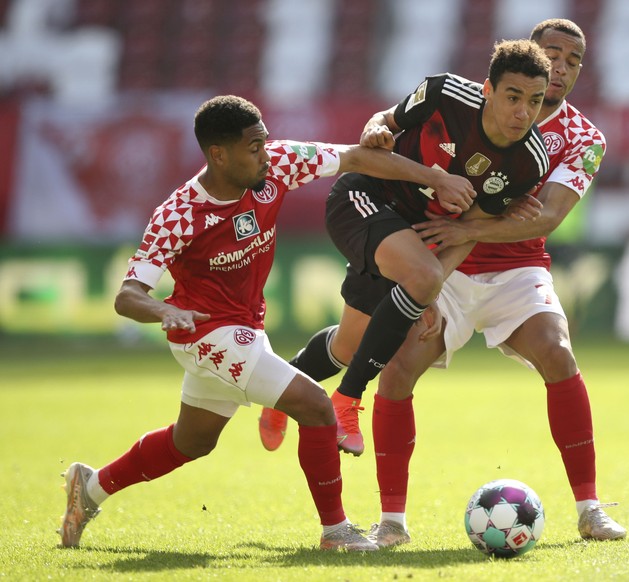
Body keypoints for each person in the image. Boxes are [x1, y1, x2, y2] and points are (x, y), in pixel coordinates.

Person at [259, 19, 627, 547]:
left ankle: (591, 509)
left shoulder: (583, 140)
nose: (563, 66)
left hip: (515, 269)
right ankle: (391, 522)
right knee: (369, 352)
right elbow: (388, 120)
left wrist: (466, 228)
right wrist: (377, 132)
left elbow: (546, 218)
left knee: (557, 350)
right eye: (553, 55)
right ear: (529, 63)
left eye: (574, 59)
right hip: (430, 246)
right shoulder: (463, 97)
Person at [58, 94, 478, 552]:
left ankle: (91, 486)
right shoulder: (179, 213)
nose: (266, 153)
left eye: (264, 142)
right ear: (218, 154)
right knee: (316, 405)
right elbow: (127, 296)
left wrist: (434, 177)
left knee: (191, 442)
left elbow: (358, 157)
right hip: (205, 334)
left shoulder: (277, 164)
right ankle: (337, 532)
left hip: (245, 327)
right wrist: (165, 310)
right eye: (254, 146)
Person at [257, 39, 552, 456]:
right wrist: (427, 171)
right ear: (488, 90)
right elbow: (372, 141)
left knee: (349, 345)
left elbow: (467, 234)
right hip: (363, 198)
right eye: (513, 97)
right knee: (419, 282)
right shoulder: (445, 93)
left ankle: (280, 394)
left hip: (411, 236)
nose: (524, 112)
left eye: (536, 101)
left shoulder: (528, 162)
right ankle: (347, 400)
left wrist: (427, 290)